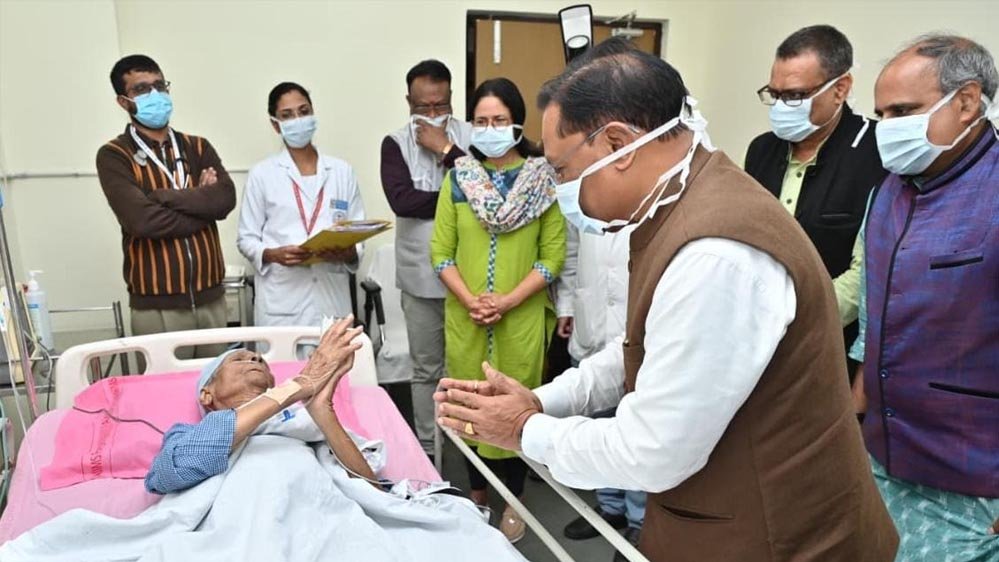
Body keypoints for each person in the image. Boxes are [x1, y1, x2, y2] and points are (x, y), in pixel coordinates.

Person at [435, 44, 898, 561]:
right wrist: (544, 401)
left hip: (782, 539)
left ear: (618, 144)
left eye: (561, 171)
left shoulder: (716, 253)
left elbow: (653, 450)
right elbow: (643, 346)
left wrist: (523, 430)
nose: (560, 188)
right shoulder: (680, 201)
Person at [854, 33, 999, 561]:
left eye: (903, 111)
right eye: (880, 114)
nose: (887, 128)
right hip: (884, 458)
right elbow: (872, 323)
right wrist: (853, 421)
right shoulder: (887, 191)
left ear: (967, 102)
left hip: (974, 481)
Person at [429, 77, 565, 543]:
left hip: (520, 318)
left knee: (516, 407)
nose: (490, 129)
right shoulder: (458, 179)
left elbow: (552, 257)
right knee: (469, 405)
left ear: (517, 123)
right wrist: (471, 299)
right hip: (466, 317)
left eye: (499, 120)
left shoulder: (543, 181)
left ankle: (514, 500)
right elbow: (440, 253)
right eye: (481, 121)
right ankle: (477, 494)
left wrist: (506, 300)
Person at [745, 25, 886, 382]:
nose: (781, 107)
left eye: (795, 95)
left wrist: (790, 321)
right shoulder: (762, 150)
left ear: (841, 88)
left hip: (834, 347)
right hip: (757, 342)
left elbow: (870, 271)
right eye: (775, 94)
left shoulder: (877, 152)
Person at [96, 55, 235, 363]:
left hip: (212, 301)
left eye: (159, 85)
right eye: (142, 89)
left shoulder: (198, 146)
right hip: (156, 308)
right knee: (162, 391)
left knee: (218, 387)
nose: (154, 94)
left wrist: (162, 196)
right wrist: (202, 205)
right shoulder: (114, 155)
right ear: (123, 101)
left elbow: (225, 199)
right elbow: (142, 221)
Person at [145, 316, 372, 494]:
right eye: (238, 359)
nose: (255, 359)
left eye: (261, 361)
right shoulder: (185, 435)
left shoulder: (304, 425)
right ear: (206, 395)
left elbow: (373, 492)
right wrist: (296, 387)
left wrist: (322, 410)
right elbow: (167, 476)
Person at [380, 60, 471, 456]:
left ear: (451, 98)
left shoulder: (471, 137)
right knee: (426, 369)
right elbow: (402, 201)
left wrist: (446, 150)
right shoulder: (394, 144)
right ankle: (428, 448)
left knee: (468, 368)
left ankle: (470, 446)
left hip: (469, 277)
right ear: (408, 102)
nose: (433, 113)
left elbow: (487, 188)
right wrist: (458, 196)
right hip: (420, 278)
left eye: (440, 105)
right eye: (423, 106)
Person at [238, 82, 365, 327]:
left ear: (313, 112)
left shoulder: (342, 171)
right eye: (287, 115)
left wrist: (347, 252)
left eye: (304, 111)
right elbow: (246, 238)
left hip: (332, 299)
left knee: (335, 351)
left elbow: (358, 233)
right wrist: (272, 254)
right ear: (276, 125)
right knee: (285, 354)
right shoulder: (262, 174)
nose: (298, 120)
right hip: (283, 303)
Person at [556, 223, 644, 556]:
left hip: (633, 325)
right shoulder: (580, 203)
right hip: (590, 319)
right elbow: (572, 253)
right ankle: (610, 507)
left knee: (634, 429)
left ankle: (640, 520)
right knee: (596, 422)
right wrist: (566, 306)